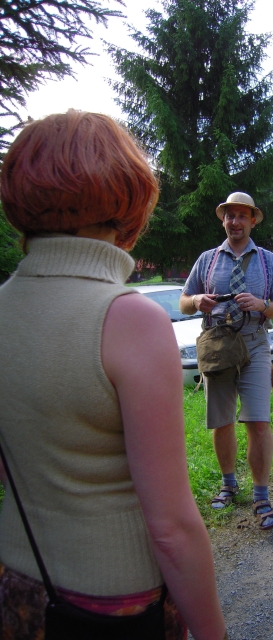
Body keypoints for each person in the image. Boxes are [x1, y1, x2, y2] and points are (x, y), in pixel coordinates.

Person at [0, 110, 226, 640]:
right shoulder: (130, 320)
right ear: (125, 198)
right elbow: (171, 528)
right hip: (114, 603)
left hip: (17, 587)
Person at [179, 192, 273, 530]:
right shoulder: (207, 260)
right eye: (230, 216)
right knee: (222, 421)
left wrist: (261, 305)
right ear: (224, 220)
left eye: (242, 215)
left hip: (255, 344)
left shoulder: (268, 261)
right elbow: (183, 301)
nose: (236, 222)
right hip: (218, 345)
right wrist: (197, 300)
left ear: (253, 220)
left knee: (258, 422)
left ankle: (261, 496)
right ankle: (228, 485)